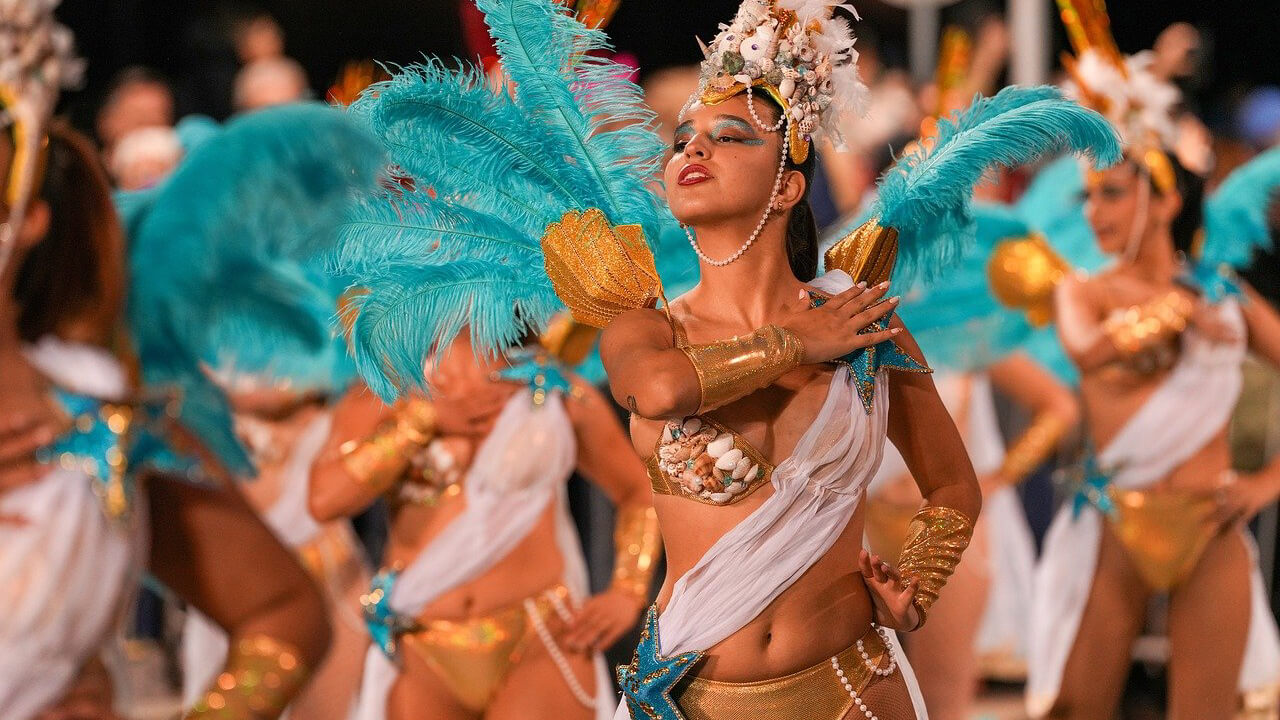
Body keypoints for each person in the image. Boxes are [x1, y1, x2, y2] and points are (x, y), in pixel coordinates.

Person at [325, 0, 1116, 717]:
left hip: (853, 688)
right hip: (696, 699)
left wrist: (916, 583)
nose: (693, 148)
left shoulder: (863, 319)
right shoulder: (643, 324)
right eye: (683, 140)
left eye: (730, 136)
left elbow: (952, 485)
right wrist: (801, 343)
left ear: (787, 186)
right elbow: (661, 391)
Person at [1017, 2, 1280, 717]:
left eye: (1113, 193)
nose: (1094, 212)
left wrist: (1264, 485)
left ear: (1163, 199)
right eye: (1088, 195)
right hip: (1112, 527)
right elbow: (1088, 352)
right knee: (1077, 708)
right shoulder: (1083, 290)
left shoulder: (1222, 294)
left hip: (1212, 525)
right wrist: (1173, 312)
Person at [310, 324, 658, 720]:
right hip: (421, 647)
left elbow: (639, 490)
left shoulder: (551, 389)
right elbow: (324, 501)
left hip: (539, 638)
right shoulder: (385, 391)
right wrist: (419, 420)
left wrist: (629, 589)